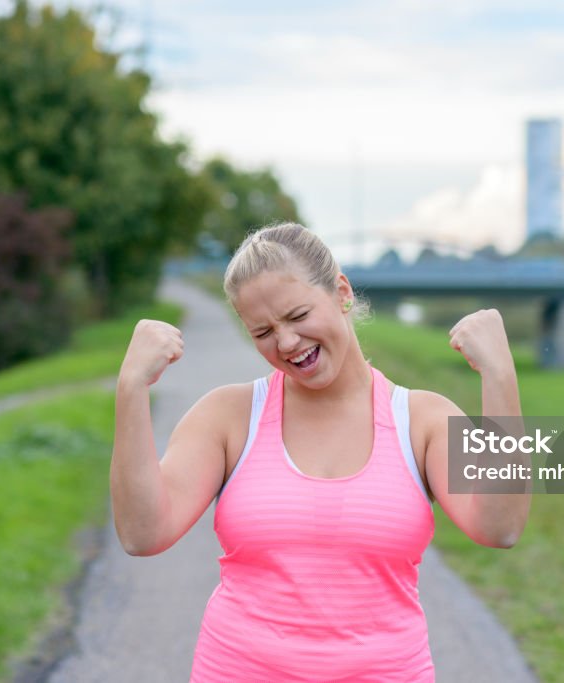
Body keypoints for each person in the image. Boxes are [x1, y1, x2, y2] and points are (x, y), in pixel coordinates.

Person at [111, 222, 531, 681]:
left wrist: (500, 378)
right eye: (263, 331)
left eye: (296, 316)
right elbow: (142, 534)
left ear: (342, 292)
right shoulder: (227, 417)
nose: (286, 343)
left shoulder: (423, 421)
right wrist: (131, 388)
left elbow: (500, 527)